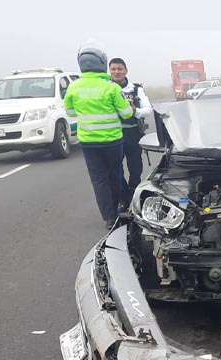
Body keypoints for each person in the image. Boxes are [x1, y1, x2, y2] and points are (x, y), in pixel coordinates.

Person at [65, 42, 134, 229]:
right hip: (112, 141)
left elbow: (70, 113)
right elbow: (127, 113)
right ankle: (121, 207)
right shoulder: (111, 87)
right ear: (102, 63)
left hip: (88, 143)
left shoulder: (74, 87)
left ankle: (109, 217)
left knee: (98, 180)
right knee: (116, 175)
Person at [108, 57, 153, 207]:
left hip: (133, 134)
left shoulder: (136, 89)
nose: (116, 72)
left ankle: (134, 195)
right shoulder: (106, 88)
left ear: (126, 70)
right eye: (113, 69)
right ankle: (123, 198)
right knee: (116, 169)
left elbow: (148, 110)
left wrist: (134, 111)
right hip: (113, 135)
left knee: (135, 168)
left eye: (119, 69)